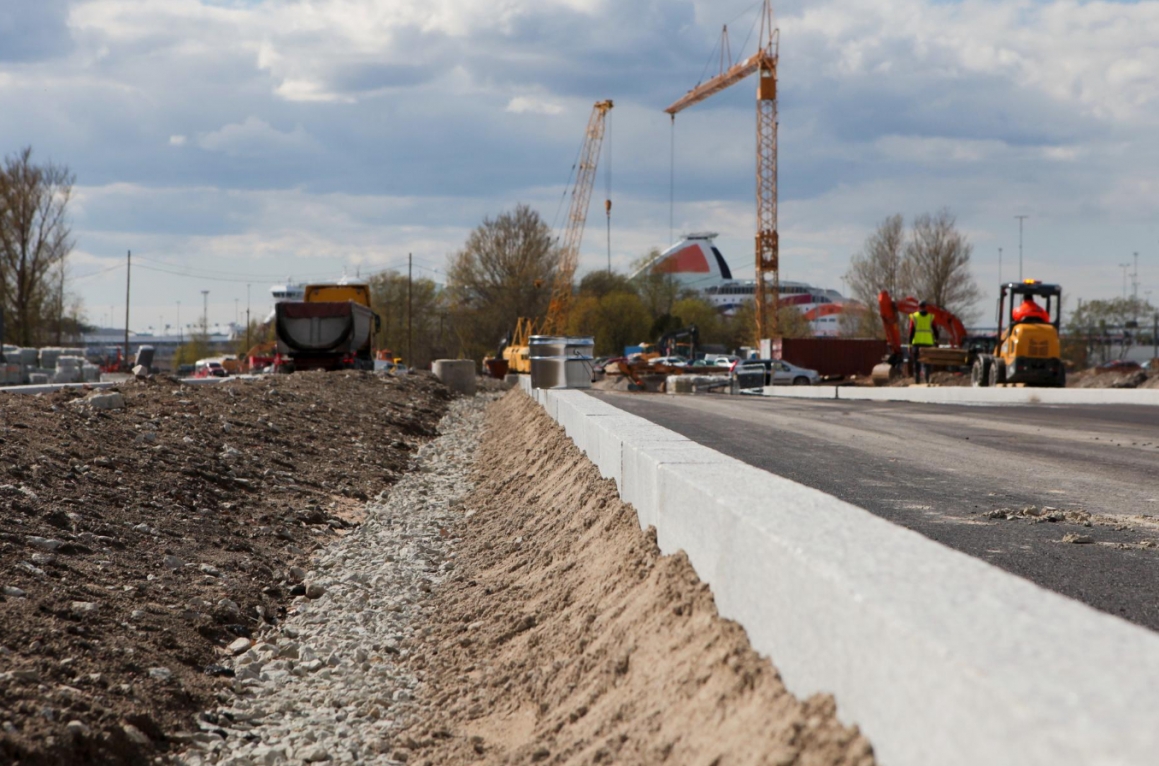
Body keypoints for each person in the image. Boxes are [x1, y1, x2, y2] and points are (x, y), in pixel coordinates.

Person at [909, 301, 938, 384]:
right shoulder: (930, 317)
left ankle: (917, 379)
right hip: (928, 343)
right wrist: (936, 341)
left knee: (916, 361)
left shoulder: (914, 316)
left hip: (917, 343)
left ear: (918, 307)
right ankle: (927, 377)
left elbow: (911, 331)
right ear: (926, 307)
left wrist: (909, 344)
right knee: (927, 362)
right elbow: (935, 330)